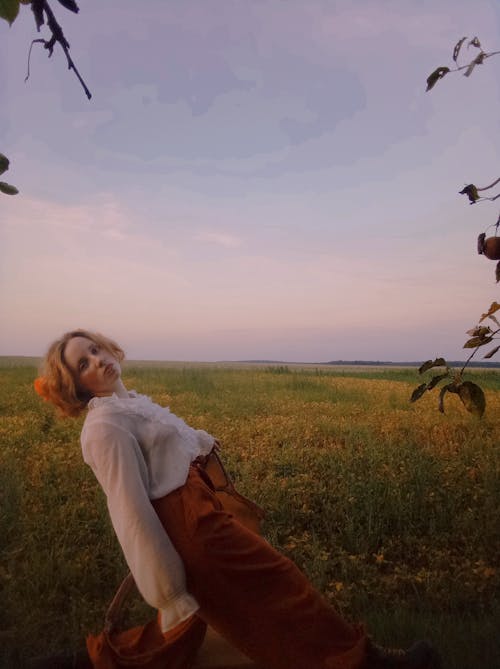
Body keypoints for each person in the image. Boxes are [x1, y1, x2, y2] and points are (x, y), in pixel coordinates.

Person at [34, 329, 441, 669]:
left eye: (94, 349)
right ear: (76, 386)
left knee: (193, 633)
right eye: (83, 364)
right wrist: (169, 591)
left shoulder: (131, 405)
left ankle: (84, 663)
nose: (97, 360)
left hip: (202, 516)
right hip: (194, 530)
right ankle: (366, 662)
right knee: (282, 586)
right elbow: (130, 510)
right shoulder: (104, 426)